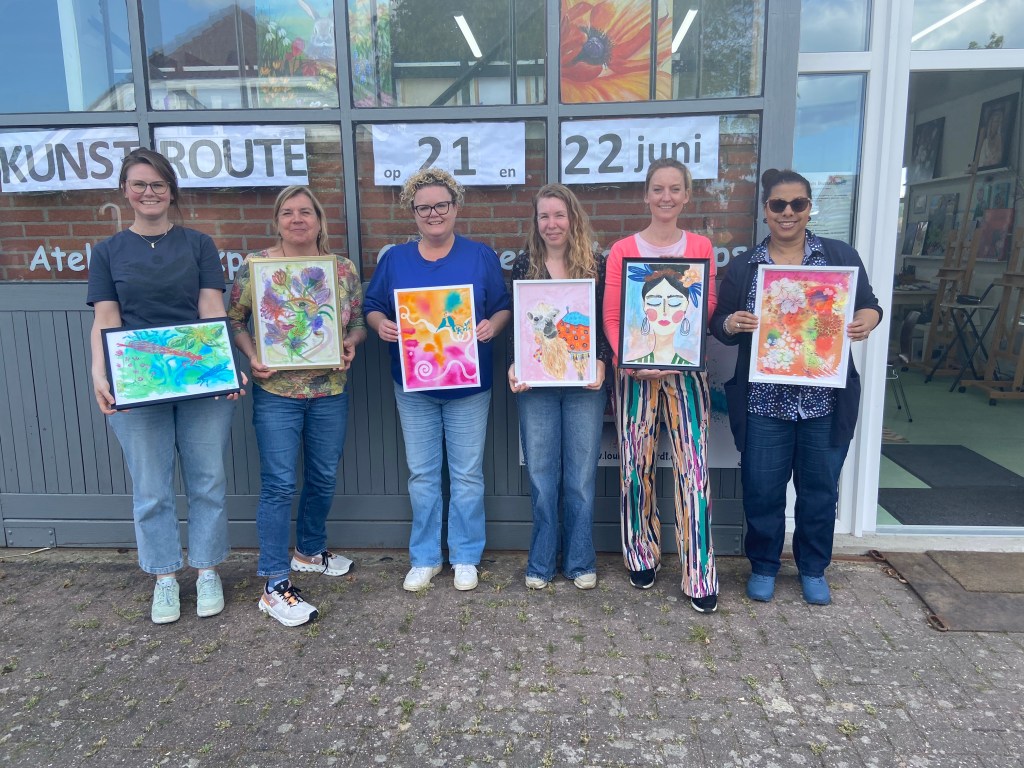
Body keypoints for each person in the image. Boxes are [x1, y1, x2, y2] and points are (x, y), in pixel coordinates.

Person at [710, 168, 882, 606]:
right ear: (765, 211)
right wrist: (731, 324)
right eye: (778, 204)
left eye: (798, 204)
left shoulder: (839, 257)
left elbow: (869, 305)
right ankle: (764, 566)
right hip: (764, 402)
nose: (788, 212)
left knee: (820, 491)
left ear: (809, 208)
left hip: (824, 400)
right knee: (762, 491)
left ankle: (812, 568)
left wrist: (866, 321)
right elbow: (718, 324)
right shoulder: (747, 267)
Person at [87, 148, 245, 625]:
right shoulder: (108, 252)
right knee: (152, 489)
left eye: (158, 184)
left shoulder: (198, 244)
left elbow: (211, 309)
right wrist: (99, 373)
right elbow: (106, 319)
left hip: (200, 378)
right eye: (139, 184)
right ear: (125, 191)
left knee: (207, 481)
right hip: (137, 384)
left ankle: (207, 570)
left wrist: (227, 366)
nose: (149, 192)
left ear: (171, 191)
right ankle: (164, 576)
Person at [364, 168, 511, 593]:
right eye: (424, 207)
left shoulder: (480, 256)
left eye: (441, 205)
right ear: (413, 212)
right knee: (423, 475)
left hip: (468, 386)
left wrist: (493, 325)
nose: (433, 214)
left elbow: (502, 306)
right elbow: (372, 305)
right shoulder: (395, 259)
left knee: (466, 475)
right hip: (414, 386)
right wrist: (379, 325)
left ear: (455, 207)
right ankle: (425, 557)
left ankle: (465, 556)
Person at [227, 185, 366, 627]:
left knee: (323, 477)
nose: (297, 219)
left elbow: (358, 321)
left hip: (329, 389)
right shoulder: (257, 267)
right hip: (276, 394)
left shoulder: (341, 269)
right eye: (288, 212)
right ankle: (273, 584)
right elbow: (235, 319)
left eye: (306, 212)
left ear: (320, 220)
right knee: (279, 485)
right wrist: (252, 354)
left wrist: (350, 343)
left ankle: (308, 551)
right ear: (277, 221)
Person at [602, 157, 719, 614]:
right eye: (657, 189)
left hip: (686, 374)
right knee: (635, 466)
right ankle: (640, 554)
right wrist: (631, 359)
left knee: (694, 470)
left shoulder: (701, 247)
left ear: (686, 195)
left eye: (674, 189)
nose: (665, 197)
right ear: (646, 195)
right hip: (634, 375)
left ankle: (700, 572)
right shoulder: (622, 250)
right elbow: (614, 316)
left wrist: (674, 354)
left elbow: (706, 308)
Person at [507, 184, 611, 591]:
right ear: (536, 222)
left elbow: (606, 322)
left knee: (580, 478)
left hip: (585, 384)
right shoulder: (524, 265)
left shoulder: (596, 265)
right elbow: (518, 327)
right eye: (544, 216)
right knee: (540, 475)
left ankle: (580, 560)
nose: (552, 224)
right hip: (537, 386)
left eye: (559, 215)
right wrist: (514, 363)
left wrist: (602, 359)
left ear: (573, 218)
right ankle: (542, 561)